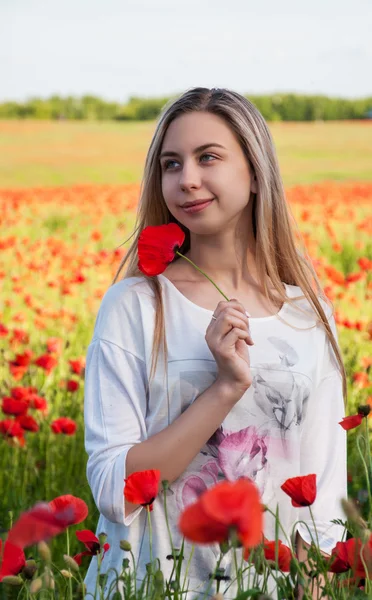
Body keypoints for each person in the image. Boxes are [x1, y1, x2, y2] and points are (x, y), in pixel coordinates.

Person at [83, 87, 348, 599]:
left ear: (254, 171)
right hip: (151, 586)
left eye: (208, 158)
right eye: (171, 163)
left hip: (265, 588)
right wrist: (224, 388)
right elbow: (116, 489)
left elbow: (325, 485)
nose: (187, 180)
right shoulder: (136, 307)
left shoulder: (307, 315)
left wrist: (313, 582)